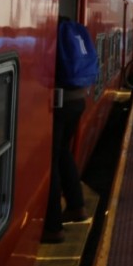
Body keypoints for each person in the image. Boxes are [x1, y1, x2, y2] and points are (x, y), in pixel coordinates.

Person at [43, 18, 91, 244]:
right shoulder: (75, 30)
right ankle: (76, 206)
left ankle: (52, 227)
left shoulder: (52, 31)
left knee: (49, 161)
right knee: (63, 152)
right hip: (78, 99)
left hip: (59, 103)